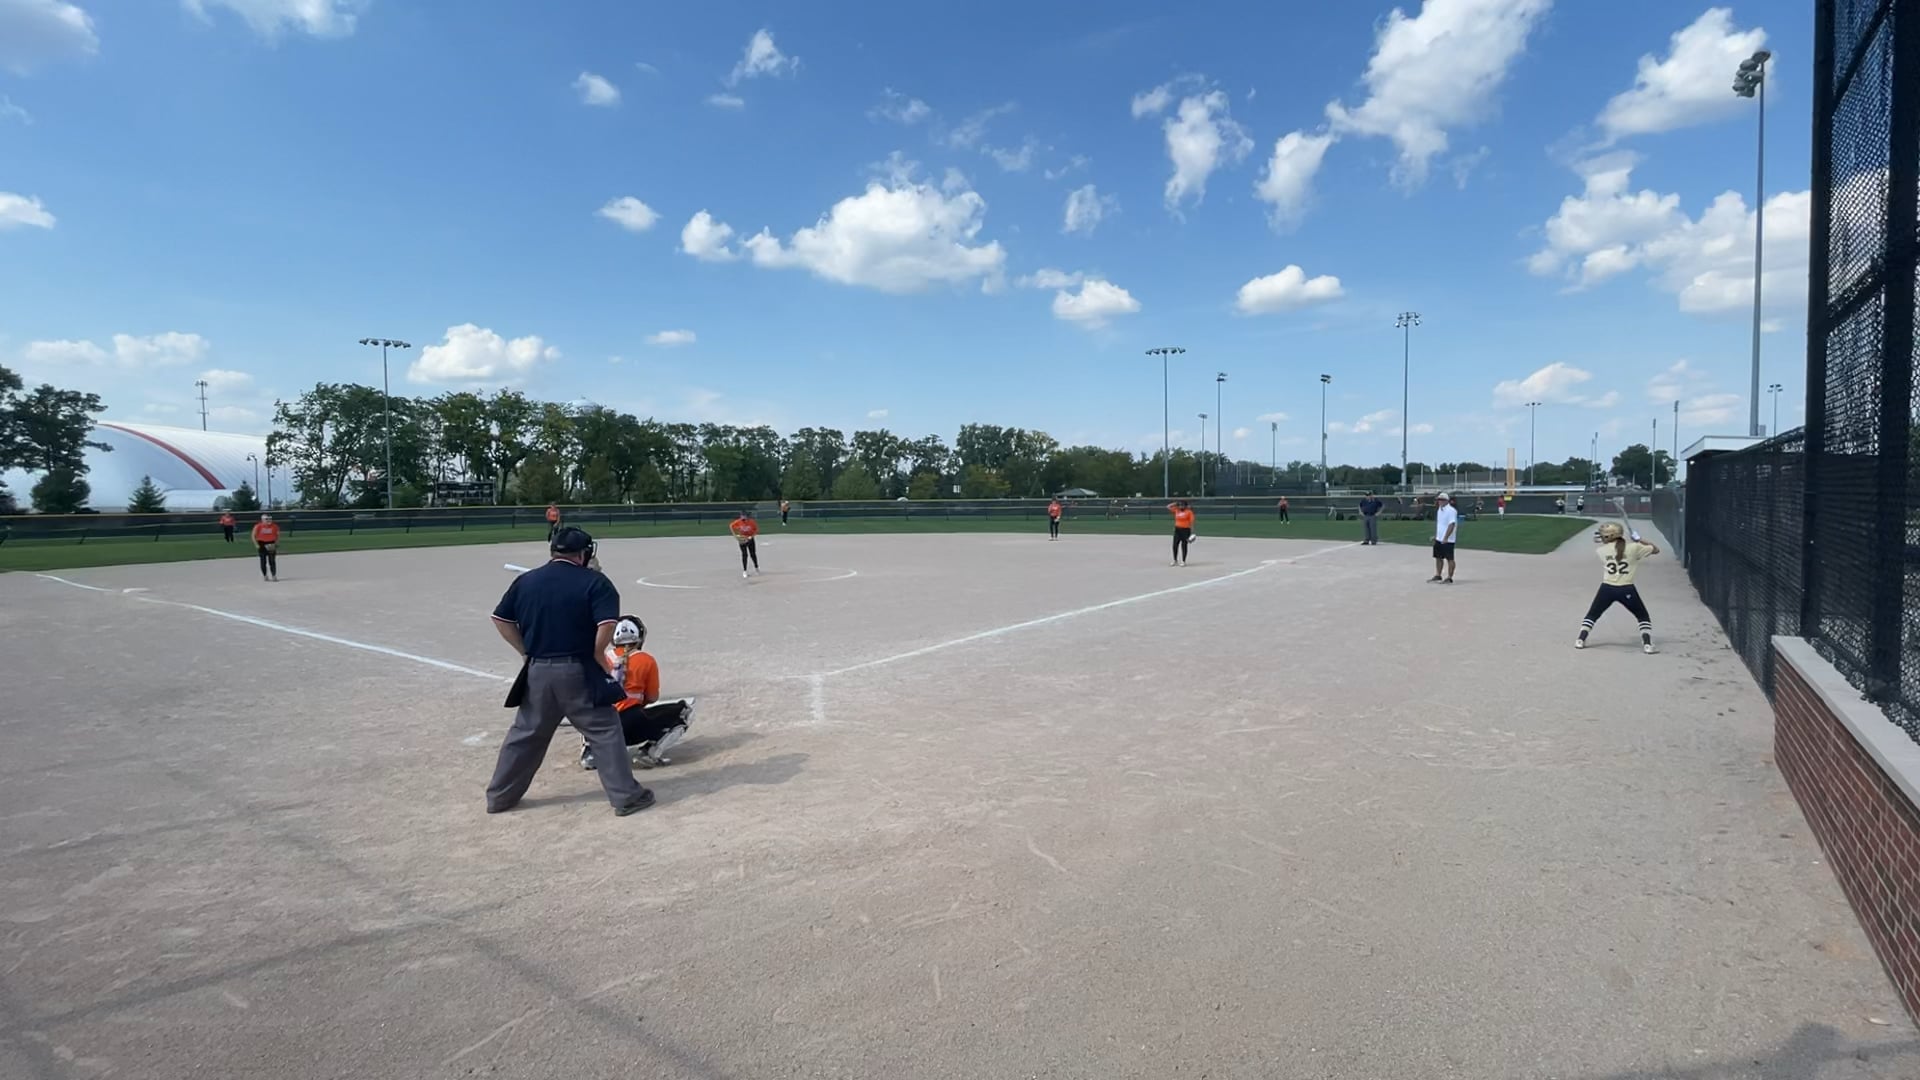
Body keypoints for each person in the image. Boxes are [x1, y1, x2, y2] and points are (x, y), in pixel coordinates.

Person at [487, 526, 654, 817]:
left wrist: (526, 652)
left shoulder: (527, 581)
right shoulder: (595, 582)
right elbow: (607, 624)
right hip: (578, 670)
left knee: (526, 734)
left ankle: (500, 797)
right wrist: (598, 652)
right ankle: (626, 797)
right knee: (604, 730)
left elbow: (500, 619)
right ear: (584, 553)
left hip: (537, 671)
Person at [581, 615, 695, 771]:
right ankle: (649, 752)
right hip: (630, 726)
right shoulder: (646, 660)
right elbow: (652, 697)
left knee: (589, 709)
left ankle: (590, 751)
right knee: (684, 711)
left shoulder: (601, 658)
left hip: (600, 728)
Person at [1577, 523, 1659, 654]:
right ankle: (1647, 645)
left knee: (1592, 614)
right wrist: (1639, 540)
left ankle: (1580, 640)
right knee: (1642, 616)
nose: (1601, 537)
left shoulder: (1601, 551)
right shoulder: (1634, 547)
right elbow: (1655, 550)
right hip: (1627, 588)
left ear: (1609, 536)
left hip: (1607, 588)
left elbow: (1616, 551)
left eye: (1604, 535)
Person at [1428, 493, 1458, 584]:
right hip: (1439, 538)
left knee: (1450, 558)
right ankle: (1438, 575)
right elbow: (1440, 525)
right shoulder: (1439, 510)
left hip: (1448, 540)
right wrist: (1436, 536)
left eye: (1442, 500)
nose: (1439, 501)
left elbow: (1451, 524)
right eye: (1439, 500)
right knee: (1438, 557)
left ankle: (1449, 577)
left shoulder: (1451, 511)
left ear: (1447, 501)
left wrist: (1446, 537)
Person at [731, 508, 760, 578]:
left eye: (744, 515)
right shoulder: (738, 521)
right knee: (744, 555)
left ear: (747, 516)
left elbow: (756, 530)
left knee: (753, 554)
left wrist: (751, 536)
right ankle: (745, 571)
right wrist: (735, 536)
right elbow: (731, 526)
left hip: (750, 539)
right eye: (742, 516)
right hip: (742, 539)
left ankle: (756, 567)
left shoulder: (751, 522)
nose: (743, 517)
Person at [250, 514, 280, 581]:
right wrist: (256, 544)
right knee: (263, 561)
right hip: (261, 543)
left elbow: (277, 535)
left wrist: (276, 543)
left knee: (272, 560)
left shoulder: (275, 526)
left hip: (271, 543)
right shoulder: (258, 526)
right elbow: (253, 536)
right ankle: (265, 575)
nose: (269, 520)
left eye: (270, 519)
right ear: (262, 520)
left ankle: (274, 575)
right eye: (266, 519)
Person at [1168, 500, 1195, 566]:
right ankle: (1175, 560)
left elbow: (1191, 522)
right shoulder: (1177, 510)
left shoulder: (1189, 512)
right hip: (1177, 530)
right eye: (1179, 505)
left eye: (1182, 505)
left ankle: (1183, 561)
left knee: (1184, 545)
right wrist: (1175, 503)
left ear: (1185, 506)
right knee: (1175, 545)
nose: (1181, 506)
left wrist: (1192, 533)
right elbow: (1168, 506)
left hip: (1185, 530)